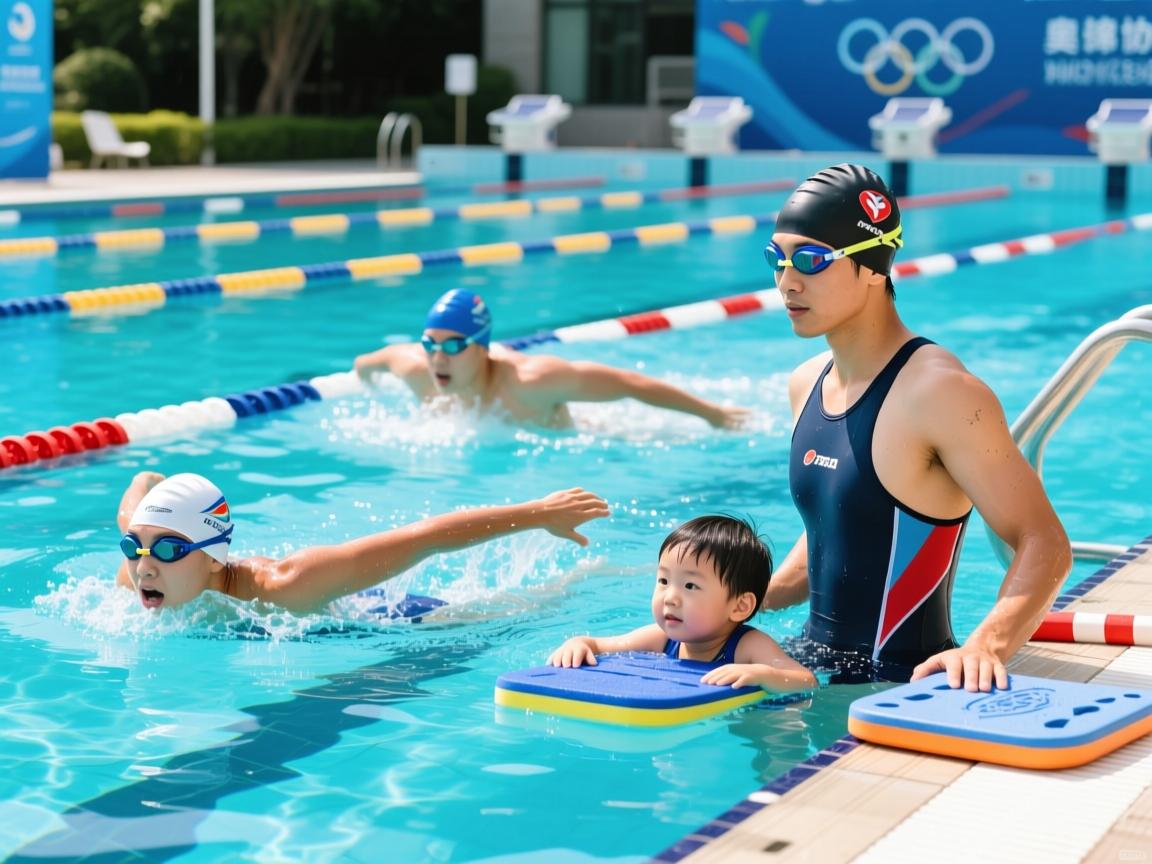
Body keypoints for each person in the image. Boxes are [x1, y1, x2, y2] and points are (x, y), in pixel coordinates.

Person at [760, 163, 1072, 691]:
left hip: (902, 684)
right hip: (807, 667)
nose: (787, 282)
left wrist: (985, 646)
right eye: (777, 259)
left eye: (811, 260)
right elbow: (834, 534)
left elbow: (1044, 543)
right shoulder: (806, 382)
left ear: (872, 268)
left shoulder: (941, 393)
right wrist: (729, 598)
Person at [115, 471, 609, 613]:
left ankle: (593, 577)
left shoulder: (288, 585)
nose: (144, 568)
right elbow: (138, 488)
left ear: (211, 556)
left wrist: (539, 514)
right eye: (134, 546)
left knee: (508, 611)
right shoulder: (137, 571)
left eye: (167, 549)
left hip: (374, 617)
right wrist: (148, 495)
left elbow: (425, 538)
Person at [353, 288, 748, 429]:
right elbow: (365, 364)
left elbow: (630, 384)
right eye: (430, 344)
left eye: (453, 346)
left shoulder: (532, 380)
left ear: (482, 346)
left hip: (580, 433)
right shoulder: (414, 369)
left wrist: (710, 413)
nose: (438, 357)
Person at [548, 515, 816, 693]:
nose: (670, 597)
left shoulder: (748, 647)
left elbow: (806, 681)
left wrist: (762, 674)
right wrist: (579, 644)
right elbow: (601, 646)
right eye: (663, 580)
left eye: (690, 586)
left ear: (739, 606)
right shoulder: (661, 639)